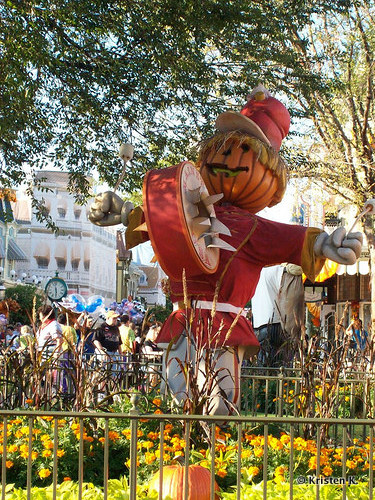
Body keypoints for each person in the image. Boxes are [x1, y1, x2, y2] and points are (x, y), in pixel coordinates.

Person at [89, 85, 363, 414]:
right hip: (182, 321)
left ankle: (213, 456)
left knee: (216, 403)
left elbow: (293, 237)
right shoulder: (189, 211)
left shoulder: (255, 229)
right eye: (221, 150)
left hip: (223, 329)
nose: (228, 160)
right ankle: (178, 450)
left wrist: (326, 242)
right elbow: (158, 219)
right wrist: (121, 212)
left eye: (244, 151)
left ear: (270, 176)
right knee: (175, 401)